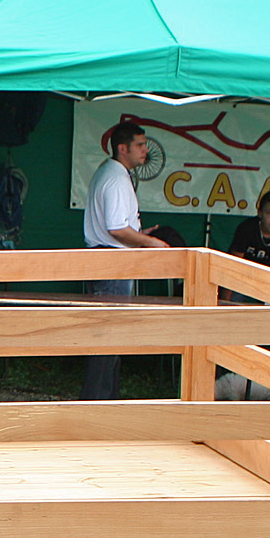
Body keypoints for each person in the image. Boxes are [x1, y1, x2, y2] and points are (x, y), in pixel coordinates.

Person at [80, 122, 170, 400]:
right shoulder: (117, 178)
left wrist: (141, 235)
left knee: (109, 338)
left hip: (109, 257)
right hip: (112, 262)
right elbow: (117, 229)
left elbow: (118, 227)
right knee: (108, 338)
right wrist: (150, 243)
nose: (146, 150)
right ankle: (97, 402)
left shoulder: (112, 173)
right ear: (123, 148)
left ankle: (106, 400)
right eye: (141, 145)